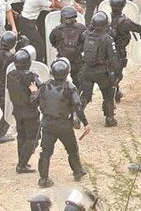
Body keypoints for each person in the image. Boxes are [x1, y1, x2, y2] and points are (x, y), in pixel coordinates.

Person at [36, 59, 88, 188]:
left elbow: (35, 100)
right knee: (72, 149)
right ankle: (77, 172)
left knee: (45, 152)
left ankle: (43, 179)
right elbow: (78, 107)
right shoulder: (69, 87)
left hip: (47, 123)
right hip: (63, 124)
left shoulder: (45, 85)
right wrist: (85, 122)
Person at [7, 48, 42, 174]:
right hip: (30, 112)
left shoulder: (10, 75)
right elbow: (40, 91)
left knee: (21, 137)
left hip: (17, 111)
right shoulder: (31, 76)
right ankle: (22, 164)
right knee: (33, 138)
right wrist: (34, 91)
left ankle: (22, 161)